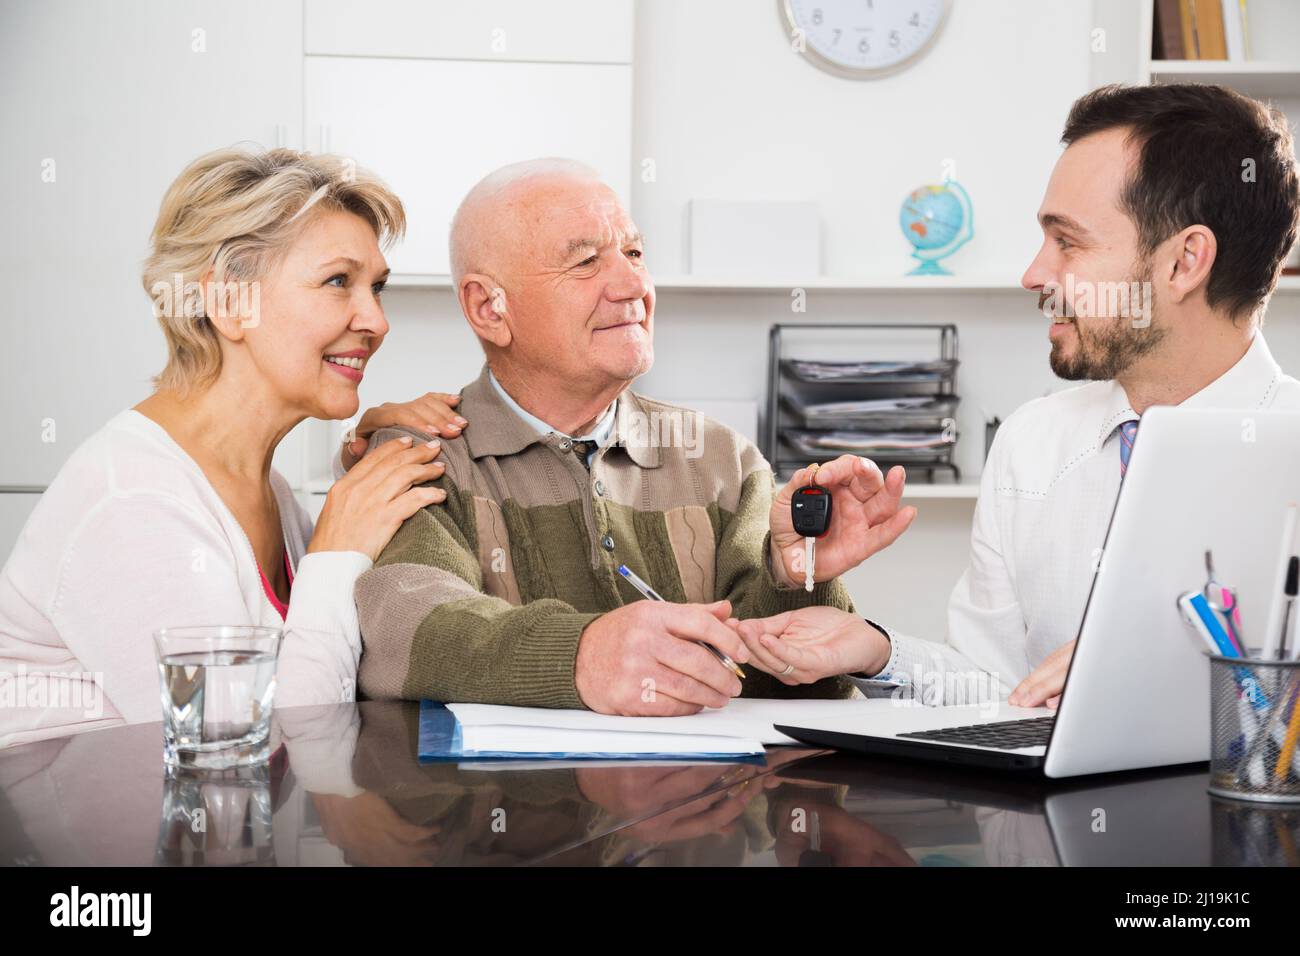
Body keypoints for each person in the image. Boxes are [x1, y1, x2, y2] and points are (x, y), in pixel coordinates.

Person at [731, 83, 1300, 707]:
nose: (1034, 274)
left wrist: (1153, 671)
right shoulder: (1032, 444)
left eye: (1069, 242)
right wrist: (878, 652)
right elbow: (997, 691)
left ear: (1185, 261)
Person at [352, 158, 916, 716]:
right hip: (501, 806)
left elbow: (797, 697)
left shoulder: (722, 458)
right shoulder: (418, 457)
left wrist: (796, 578)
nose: (633, 285)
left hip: (701, 805)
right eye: (585, 261)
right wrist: (580, 655)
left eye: (634, 254)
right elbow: (403, 634)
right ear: (489, 308)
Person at [0, 146, 466, 747]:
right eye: (337, 282)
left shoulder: (259, 483)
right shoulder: (132, 505)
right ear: (228, 302)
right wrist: (337, 550)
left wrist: (365, 458)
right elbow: (242, 751)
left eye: (376, 287)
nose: (376, 320)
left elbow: (311, 651)